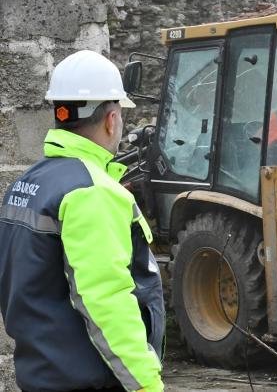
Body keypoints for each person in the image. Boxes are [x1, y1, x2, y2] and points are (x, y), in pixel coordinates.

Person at [0, 50, 164, 391]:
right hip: (89, 379)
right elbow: (107, 301)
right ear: (111, 119)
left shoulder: (28, 184)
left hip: (41, 375)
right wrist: (147, 383)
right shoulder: (92, 191)